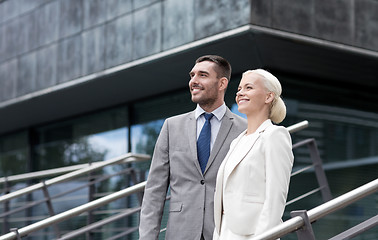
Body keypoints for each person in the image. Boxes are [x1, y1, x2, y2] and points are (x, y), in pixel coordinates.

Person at [139, 55, 247, 240]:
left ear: (222, 83)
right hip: (180, 232)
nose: (193, 81)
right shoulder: (171, 127)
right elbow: (155, 190)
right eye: (192, 75)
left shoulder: (245, 129)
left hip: (225, 233)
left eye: (202, 75)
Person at [213, 69, 294, 240]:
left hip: (253, 234)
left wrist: (264, 237)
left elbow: (275, 198)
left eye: (248, 87)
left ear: (268, 97)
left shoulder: (274, 135)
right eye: (239, 89)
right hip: (225, 233)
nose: (240, 92)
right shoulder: (237, 142)